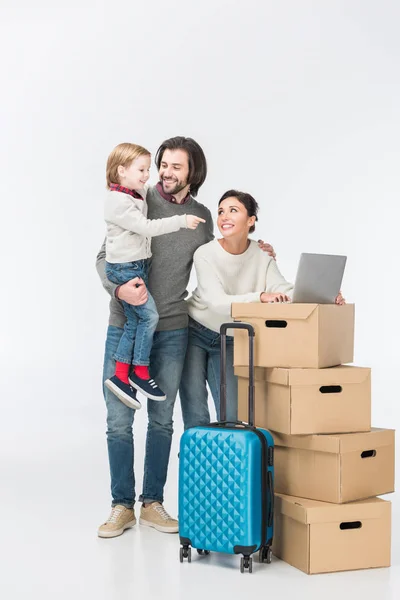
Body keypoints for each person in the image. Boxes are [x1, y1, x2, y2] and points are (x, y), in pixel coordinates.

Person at [179, 189, 346, 427]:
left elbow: (282, 289)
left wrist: (325, 295)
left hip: (230, 338)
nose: (224, 216)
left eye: (233, 210)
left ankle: (229, 464)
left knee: (233, 416)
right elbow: (216, 302)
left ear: (250, 220)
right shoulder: (205, 254)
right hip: (195, 331)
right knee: (195, 413)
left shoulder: (261, 253)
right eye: (221, 211)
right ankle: (196, 464)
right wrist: (260, 296)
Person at [103, 142, 205, 409]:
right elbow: (106, 256)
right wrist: (117, 290)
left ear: (193, 173)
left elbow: (214, 257)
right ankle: (130, 373)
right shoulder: (138, 196)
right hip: (124, 318)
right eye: (163, 165)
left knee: (162, 422)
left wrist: (255, 248)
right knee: (118, 423)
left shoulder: (202, 216)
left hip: (173, 328)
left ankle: (134, 372)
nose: (164, 173)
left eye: (176, 167)